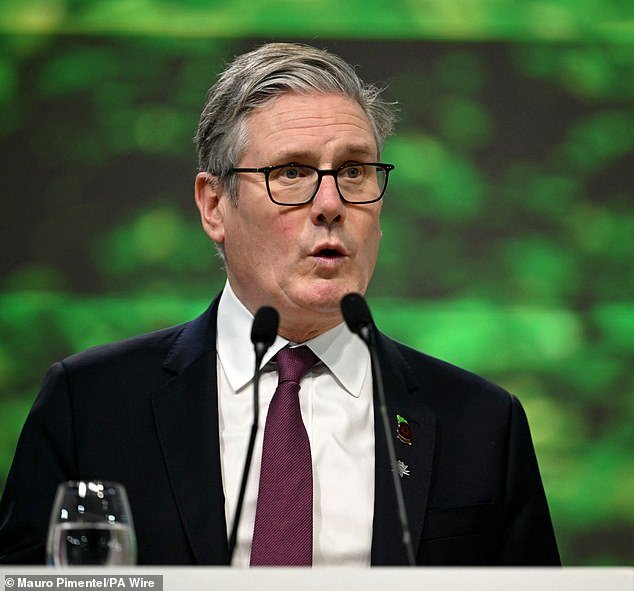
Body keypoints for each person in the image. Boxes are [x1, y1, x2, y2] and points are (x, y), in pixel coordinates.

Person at [0, 42, 560, 566]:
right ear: (214, 205)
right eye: (291, 172)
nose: (331, 204)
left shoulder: (482, 423)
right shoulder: (89, 406)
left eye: (354, 171)